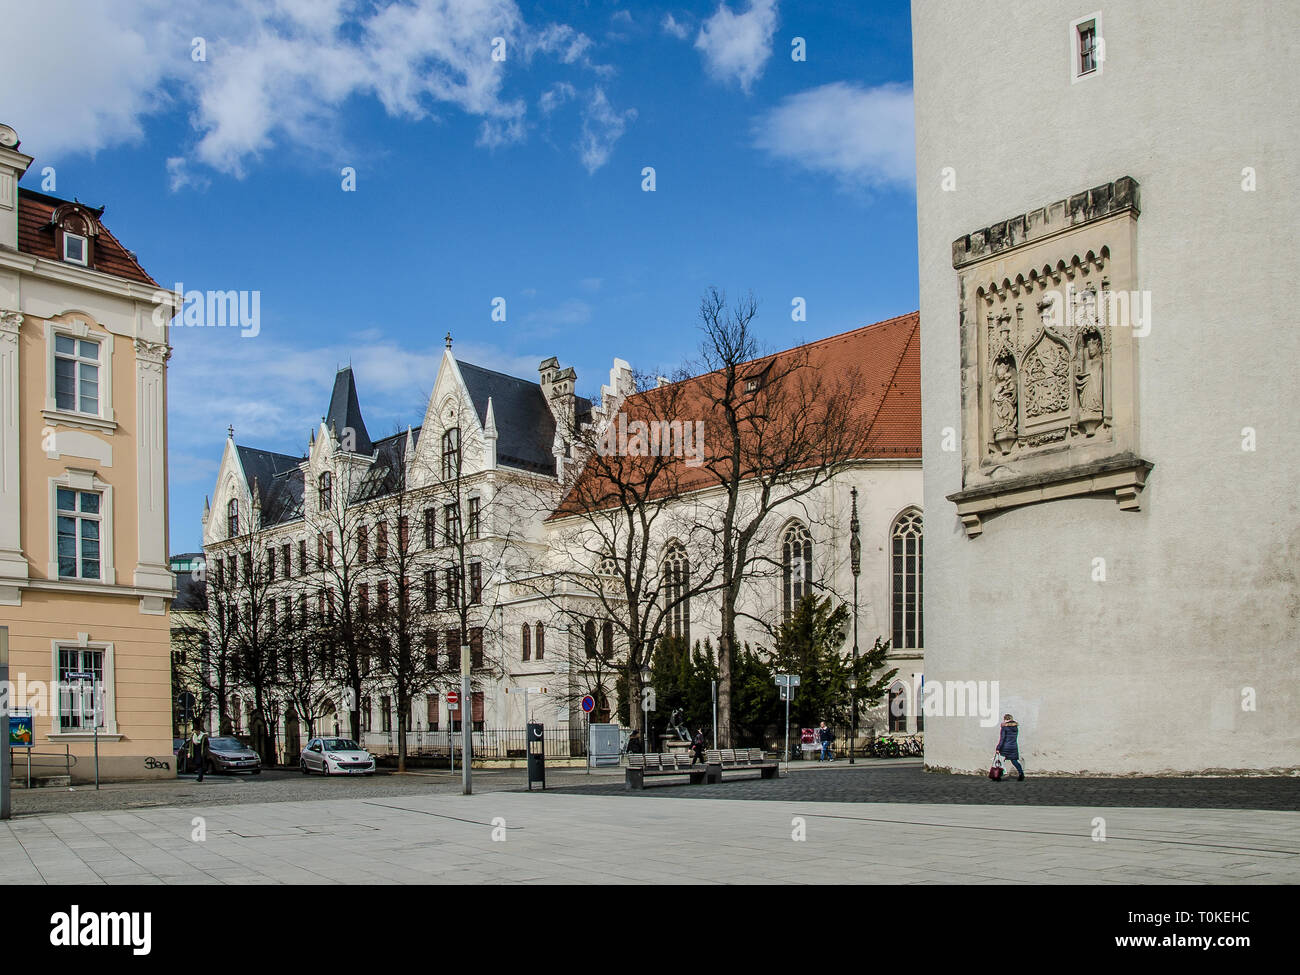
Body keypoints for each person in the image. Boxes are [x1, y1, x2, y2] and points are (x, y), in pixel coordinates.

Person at [996, 714, 1024, 780]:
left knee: (1001, 761)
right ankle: (1021, 774)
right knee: (1014, 761)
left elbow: (1002, 739)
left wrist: (998, 748)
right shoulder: (1015, 727)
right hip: (1013, 747)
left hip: (1005, 747)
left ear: (1005, 719)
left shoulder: (1004, 728)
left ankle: (998, 776)